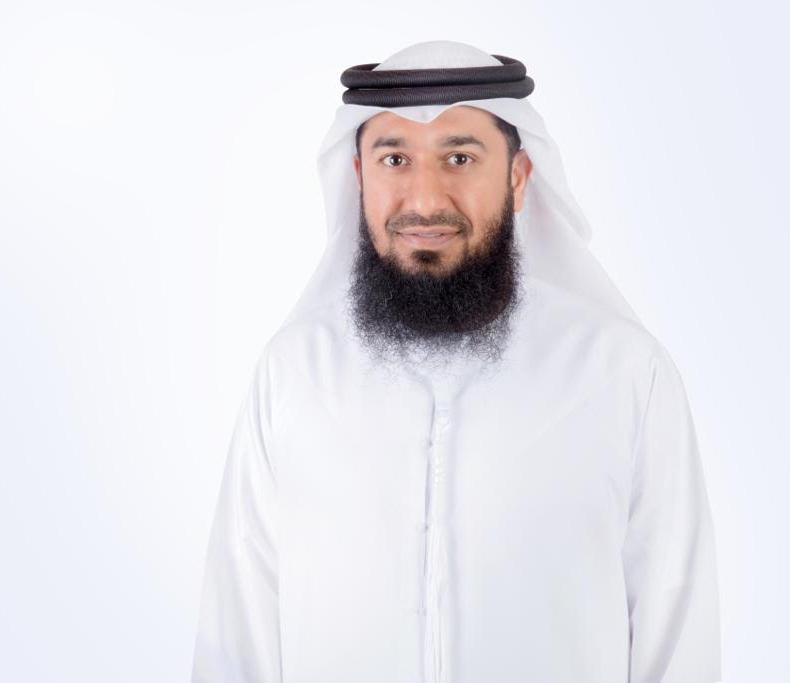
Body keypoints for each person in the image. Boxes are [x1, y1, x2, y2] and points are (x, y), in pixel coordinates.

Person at [191, 40, 721, 683]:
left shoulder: (624, 373)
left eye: (459, 158)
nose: (425, 199)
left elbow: (676, 629)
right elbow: (239, 629)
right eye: (394, 159)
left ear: (518, 178)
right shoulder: (294, 373)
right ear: (359, 178)